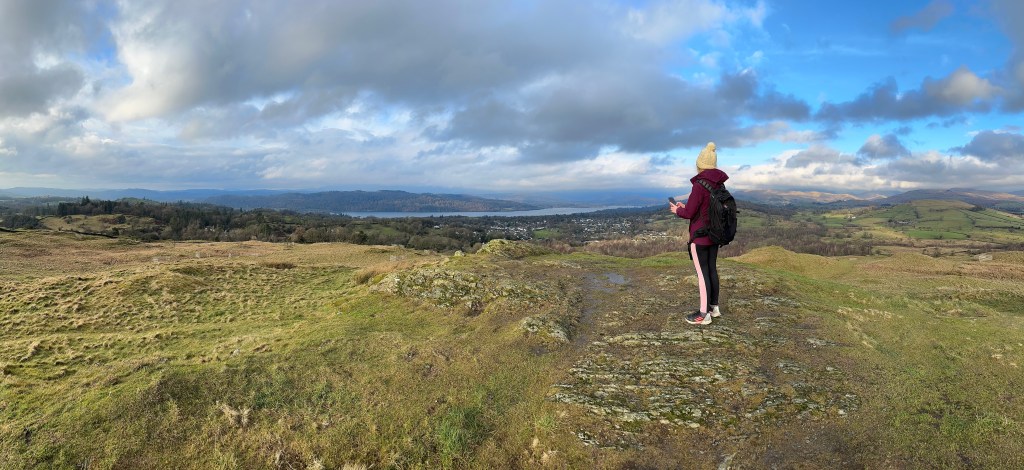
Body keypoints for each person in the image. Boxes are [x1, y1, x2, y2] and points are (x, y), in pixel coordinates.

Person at [669, 142, 729, 325]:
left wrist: (677, 210)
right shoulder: (719, 185)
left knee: (702, 274)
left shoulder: (699, 185)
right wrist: (686, 207)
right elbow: (704, 209)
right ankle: (714, 308)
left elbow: (689, 214)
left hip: (700, 237)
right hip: (714, 234)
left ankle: (703, 314)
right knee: (711, 270)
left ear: (699, 165)